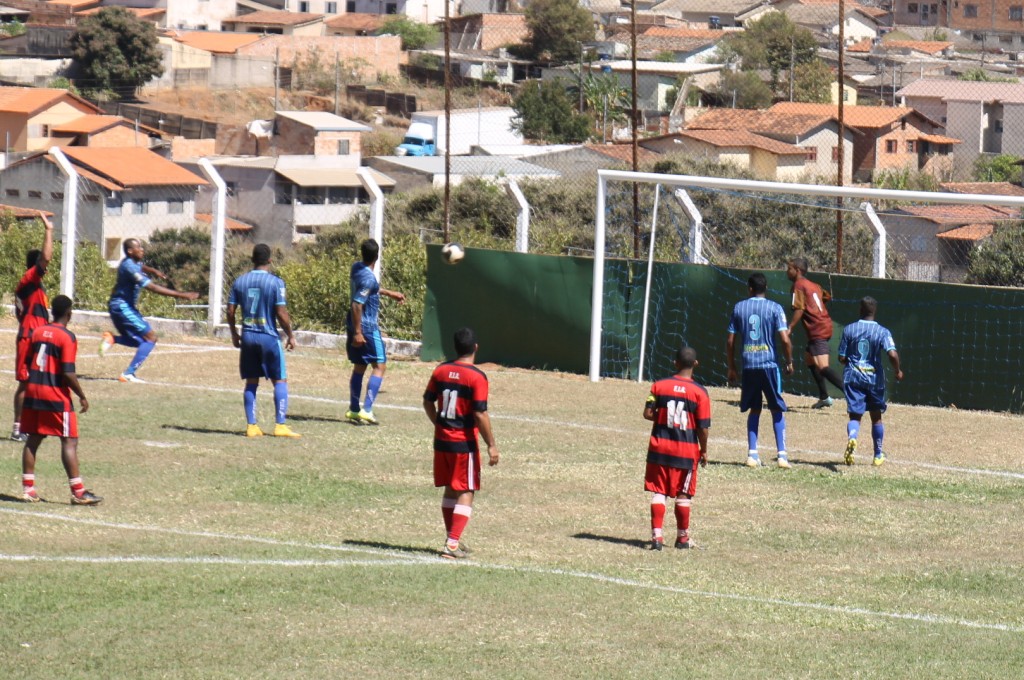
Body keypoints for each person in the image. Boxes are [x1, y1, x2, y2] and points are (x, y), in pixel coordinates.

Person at [423, 327, 499, 559]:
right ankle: (452, 544)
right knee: (466, 490)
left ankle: (451, 538)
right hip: (463, 444)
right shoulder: (477, 377)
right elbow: (479, 413)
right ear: (476, 347)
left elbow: (427, 401)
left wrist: (438, 423)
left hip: (441, 441)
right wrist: (491, 444)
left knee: (450, 487)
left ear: (455, 348)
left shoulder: (440, 370)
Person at [19, 295, 102, 505]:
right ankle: (78, 492)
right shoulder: (67, 337)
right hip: (55, 396)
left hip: (33, 392)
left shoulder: (37, 332)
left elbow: (28, 362)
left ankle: (28, 490)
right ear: (69, 313)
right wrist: (82, 395)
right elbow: (67, 372)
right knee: (69, 440)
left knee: (33, 439)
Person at [99, 238, 200, 383]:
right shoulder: (129, 266)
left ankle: (112, 339)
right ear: (130, 251)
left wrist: (153, 271)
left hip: (122, 307)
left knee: (141, 341)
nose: (142, 249)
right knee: (151, 338)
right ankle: (128, 374)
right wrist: (182, 295)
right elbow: (152, 287)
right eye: (139, 247)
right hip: (122, 307)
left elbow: (141, 266)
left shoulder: (133, 262)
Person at [226, 244, 301, 439]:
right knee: (280, 380)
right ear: (270, 260)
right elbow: (281, 313)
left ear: (252, 260)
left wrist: (234, 333)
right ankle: (280, 425)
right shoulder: (276, 283)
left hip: (248, 336)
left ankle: (251, 426)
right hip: (268, 337)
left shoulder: (239, 281)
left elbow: (230, 311)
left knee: (251, 381)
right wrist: (290, 335)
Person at [643, 346, 710, 551]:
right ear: (696, 364)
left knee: (659, 491)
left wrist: (663, 417)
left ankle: (657, 537)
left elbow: (648, 413)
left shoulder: (658, 386)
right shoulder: (700, 392)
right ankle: (682, 538)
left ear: (675, 363)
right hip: (685, 452)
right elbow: (703, 427)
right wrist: (704, 450)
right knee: (683, 494)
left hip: (659, 449)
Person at [726, 272, 795, 469]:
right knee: (776, 408)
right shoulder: (775, 308)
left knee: (754, 408)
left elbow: (730, 341)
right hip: (769, 365)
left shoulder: (739, 307)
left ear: (750, 288)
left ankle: (752, 454)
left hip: (749, 365)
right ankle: (782, 456)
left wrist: (731, 367)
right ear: (766, 288)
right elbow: (784, 339)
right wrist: (789, 361)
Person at [838, 297, 904, 467]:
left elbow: (841, 357)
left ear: (860, 310)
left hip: (853, 377)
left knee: (855, 415)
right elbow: (892, 354)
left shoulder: (849, 329)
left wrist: (849, 361)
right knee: (876, 418)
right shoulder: (882, 331)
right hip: (874, 380)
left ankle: (853, 437)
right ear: (875, 311)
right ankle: (877, 455)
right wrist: (897, 370)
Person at [346, 239, 405, 425]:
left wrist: (389, 293)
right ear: (377, 256)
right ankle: (367, 409)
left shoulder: (356, 268)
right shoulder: (369, 279)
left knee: (359, 366)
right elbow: (357, 304)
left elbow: (371, 289)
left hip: (353, 324)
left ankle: (354, 410)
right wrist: (358, 333)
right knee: (380, 366)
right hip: (367, 328)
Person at [12, 213, 54, 442]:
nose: (45, 266)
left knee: (39, 382)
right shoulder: (28, 279)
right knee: (26, 383)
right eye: (41, 264)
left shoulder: (36, 286)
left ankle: (34, 423)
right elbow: (46, 257)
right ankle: (18, 427)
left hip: (39, 337)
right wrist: (49, 230)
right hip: (28, 338)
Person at [786, 257, 843, 409]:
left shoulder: (798, 285)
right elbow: (826, 296)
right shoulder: (813, 285)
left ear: (797, 270)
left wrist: (790, 327)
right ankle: (824, 397)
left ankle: (852, 394)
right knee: (810, 360)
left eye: (789, 268)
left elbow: (799, 308)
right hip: (824, 325)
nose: (787, 271)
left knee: (822, 367)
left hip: (818, 329)